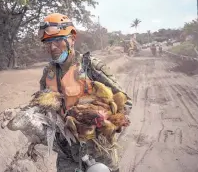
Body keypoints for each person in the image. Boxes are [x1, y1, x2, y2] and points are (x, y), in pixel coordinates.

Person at [38, 13, 132, 172]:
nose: (52, 47)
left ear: (72, 39)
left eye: (57, 40)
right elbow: (43, 107)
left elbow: (125, 103)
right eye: (47, 42)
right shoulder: (48, 73)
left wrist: (105, 121)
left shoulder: (90, 67)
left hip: (98, 148)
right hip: (67, 152)